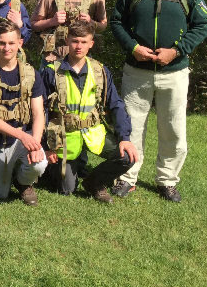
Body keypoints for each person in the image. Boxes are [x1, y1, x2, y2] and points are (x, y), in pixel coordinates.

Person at [110, 0, 207, 202]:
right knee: (132, 127)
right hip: (136, 72)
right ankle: (127, 178)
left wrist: (176, 51)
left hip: (174, 72)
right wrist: (133, 48)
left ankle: (167, 181)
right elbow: (116, 22)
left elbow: (202, 25)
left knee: (173, 129)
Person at [42, 21, 139, 202]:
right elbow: (41, 111)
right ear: (67, 41)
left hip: (94, 132)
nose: (79, 46)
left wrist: (125, 138)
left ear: (91, 43)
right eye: (75, 41)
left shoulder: (100, 70)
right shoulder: (50, 72)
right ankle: (57, 170)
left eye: (84, 42)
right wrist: (46, 147)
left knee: (127, 158)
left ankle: (94, 183)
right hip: (64, 136)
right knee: (66, 189)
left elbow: (116, 104)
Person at [0, 20, 48, 205]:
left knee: (40, 163)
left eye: (12, 43)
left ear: (20, 43)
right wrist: (23, 137)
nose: (7, 48)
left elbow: (39, 113)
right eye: (2, 43)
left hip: (21, 138)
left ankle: (24, 183)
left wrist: (35, 144)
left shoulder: (31, 73)